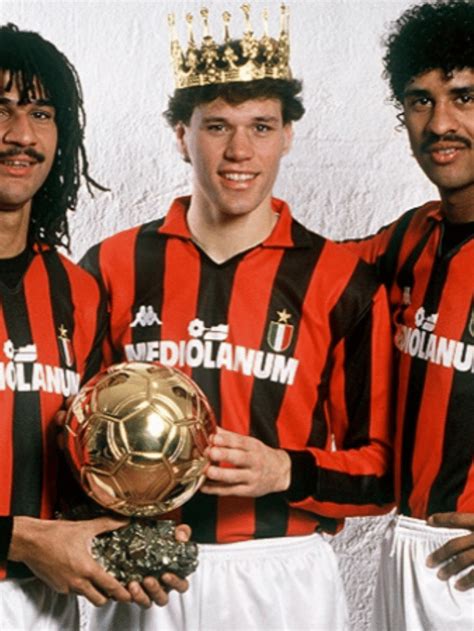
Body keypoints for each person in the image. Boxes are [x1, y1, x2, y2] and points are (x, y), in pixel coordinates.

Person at [80, 5, 394, 630]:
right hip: (143, 571)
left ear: (288, 135)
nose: (240, 151)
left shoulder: (340, 280)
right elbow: (69, 436)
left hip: (281, 575)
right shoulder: (113, 264)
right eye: (217, 126)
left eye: (261, 126)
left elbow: (381, 473)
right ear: (181, 134)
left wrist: (285, 470)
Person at [0, 23, 188, 629]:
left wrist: (136, 524)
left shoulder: (75, 292)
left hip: (47, 604)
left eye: (41, 113)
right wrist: (20, 539)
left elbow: (79, 459)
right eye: (1, 109)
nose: (21, 134)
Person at [342, 1, 474, 628]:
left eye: (464, 97)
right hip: (408, 546)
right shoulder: (408, 239)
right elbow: (298, 269)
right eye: (421, 101)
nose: (440, 123)